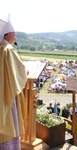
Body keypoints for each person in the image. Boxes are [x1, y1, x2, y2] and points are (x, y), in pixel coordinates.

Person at [0, 17, 28, 149]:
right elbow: (20, 71)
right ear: (9, 35)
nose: (15, 38)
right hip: (9, 91)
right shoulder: (9, 50)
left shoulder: (1, 48)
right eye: (15, 35)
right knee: (10, 120)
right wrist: (25, 71)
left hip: (2, 89)